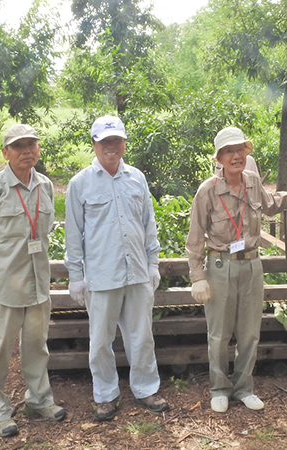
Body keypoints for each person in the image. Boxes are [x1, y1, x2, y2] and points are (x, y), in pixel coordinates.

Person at [186, 126, 287, 413]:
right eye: (229, 151)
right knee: (219, 333)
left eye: (240, 149)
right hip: (219, 266)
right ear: (219, 157)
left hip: (251, 264)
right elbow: (195, 238)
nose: (236, 156)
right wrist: (198, 276)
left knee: (250, 332)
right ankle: (219, 388)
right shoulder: (208, 191)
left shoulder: (252, 181)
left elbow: (272, 204)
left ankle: (243, 387)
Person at [0, 124, 67, 438]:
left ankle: (39, 401)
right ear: (5, 152)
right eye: (18, 146)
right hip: (3, 289)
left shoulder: (45, 186)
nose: (26, 151)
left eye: (31, 144)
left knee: (37, 347)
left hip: (37, 285)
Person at [64, 115, 169, 422]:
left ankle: (146, 388)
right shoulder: (79, 183)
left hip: (136, 272)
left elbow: (149, 224)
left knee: (141, 336)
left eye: (116, 141)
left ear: (124, 143)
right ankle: (105, 395)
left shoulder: (137, 178)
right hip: (101, 276)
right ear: (94, 144)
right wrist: (76, 277)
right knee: (100, 341)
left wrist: (152, 263)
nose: (111, 147)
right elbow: (73, 234)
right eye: (104, 142)